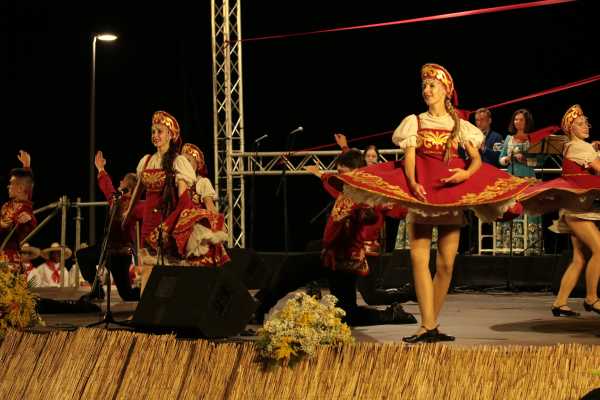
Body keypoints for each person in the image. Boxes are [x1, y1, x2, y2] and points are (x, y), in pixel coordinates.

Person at [333, 63, 530, 342]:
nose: (427, 90)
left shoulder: (459, 125)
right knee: (419, 257)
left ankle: (430, 324)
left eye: (432, 85)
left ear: (446, 90)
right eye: (424, 86)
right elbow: (410, 156)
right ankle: (428, 325)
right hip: (423, 192)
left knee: (447, 264)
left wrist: (465, 174)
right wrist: (413, 183)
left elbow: (475, 160)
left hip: (450, 193)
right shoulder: (415, 121)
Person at [252, 149, 416, 327]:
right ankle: (391, 315)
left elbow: (382, 213)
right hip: (338, 257)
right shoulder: (349, 190)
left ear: (357, 172)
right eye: (339, 172)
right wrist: (320, 173)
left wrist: (370, 208)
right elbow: (331, 182)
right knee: (346, 313)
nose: (340, 177)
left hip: (347, 258)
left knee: (292, 267)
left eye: (343, 173)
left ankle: (259, 306)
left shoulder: (367, 196)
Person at [519, 105, 600, 316]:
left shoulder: (573, 146)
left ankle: (560, 303)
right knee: (599, 250)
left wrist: (594, 150)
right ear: (571, 128)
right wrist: (595, 152)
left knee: (579, 258)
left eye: (586, 123)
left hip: (575, 208)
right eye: (580, 124)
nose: (586, 126)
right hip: (578, 211)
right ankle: (592, 298)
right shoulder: (581, 148)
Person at [76, 151, 144, 302]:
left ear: (128, 188)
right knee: (83, 255)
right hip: (107, 250)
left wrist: (101, 168)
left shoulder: (136, 205)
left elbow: (107, 185)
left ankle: (147, 292)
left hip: (120, 255)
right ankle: (97, 291)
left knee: (127, 294)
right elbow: (106, 186)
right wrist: (100, 169)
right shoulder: (116, 199)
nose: (120, 182)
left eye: (123, 181)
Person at [498, 109, 543, 254]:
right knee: (512, 210)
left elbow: (540, 161)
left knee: (529, 210)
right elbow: (500, 158)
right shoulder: (508, 139)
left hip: (528, 179)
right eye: (516, 119)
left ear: (527, 121)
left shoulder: (533, 139)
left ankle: (531, 247)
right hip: (512, 180)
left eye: (521, 119)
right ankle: (511, 246)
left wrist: (524, 160)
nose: (518, 122)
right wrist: (507, 159)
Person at [180, 142, 229, 266]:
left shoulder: (202, 183)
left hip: (198, 229)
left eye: (189, 161)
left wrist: (218, 225)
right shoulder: (178, 182)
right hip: (181, 227)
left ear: (197, 165)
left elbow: (210, 206)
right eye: (183, 161)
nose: (185, 164)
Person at [0, 151, 36, 274]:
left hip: (8, 261)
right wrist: (26, 167)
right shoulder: (8, 205)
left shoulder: (24, 209)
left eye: (11, 183)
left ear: (20, 188)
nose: (8, 186)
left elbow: (27, 191)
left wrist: (29, 219)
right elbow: (27, 187)